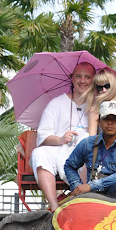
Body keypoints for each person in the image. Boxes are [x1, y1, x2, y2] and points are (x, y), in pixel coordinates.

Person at [29, 62, 95, 210]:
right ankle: (54, 208)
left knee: (89, 148)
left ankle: (77, 199)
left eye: (87, 77)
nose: (82, 81)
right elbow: (43, 137)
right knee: (39, 154)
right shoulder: (56, 103)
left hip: (83, 152)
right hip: (58, 148)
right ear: (71, 78)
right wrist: (61, 139)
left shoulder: (96, 105)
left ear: (93, 80)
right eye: (78, 76)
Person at [64, 100, 116, 198]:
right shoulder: (87, 143)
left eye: (114, 119)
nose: (110, 123)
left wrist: (90, 186)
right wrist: (77, 186)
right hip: (93, 195)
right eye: (106, 118)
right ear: (99, 121)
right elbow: (69, 165)